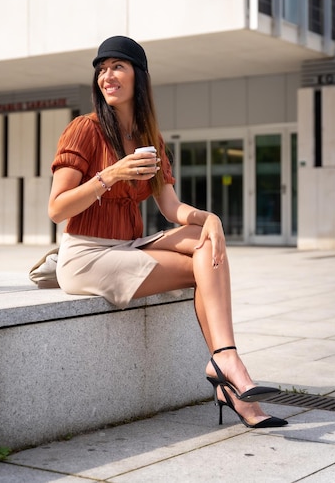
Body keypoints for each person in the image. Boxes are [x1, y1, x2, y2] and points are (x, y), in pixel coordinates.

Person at [48, 35, 287, 429]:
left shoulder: (149, 139)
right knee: (201, 265)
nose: (106, 76)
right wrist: (110, 175)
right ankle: (227, 368)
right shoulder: (84, 130)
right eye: (101, 69)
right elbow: (57, 209)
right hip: (87, 255)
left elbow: (171, 208)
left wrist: (209, 217)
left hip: (127, 245)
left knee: (207, 240)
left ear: (139, 77)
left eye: (117, 67)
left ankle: (224, 361)